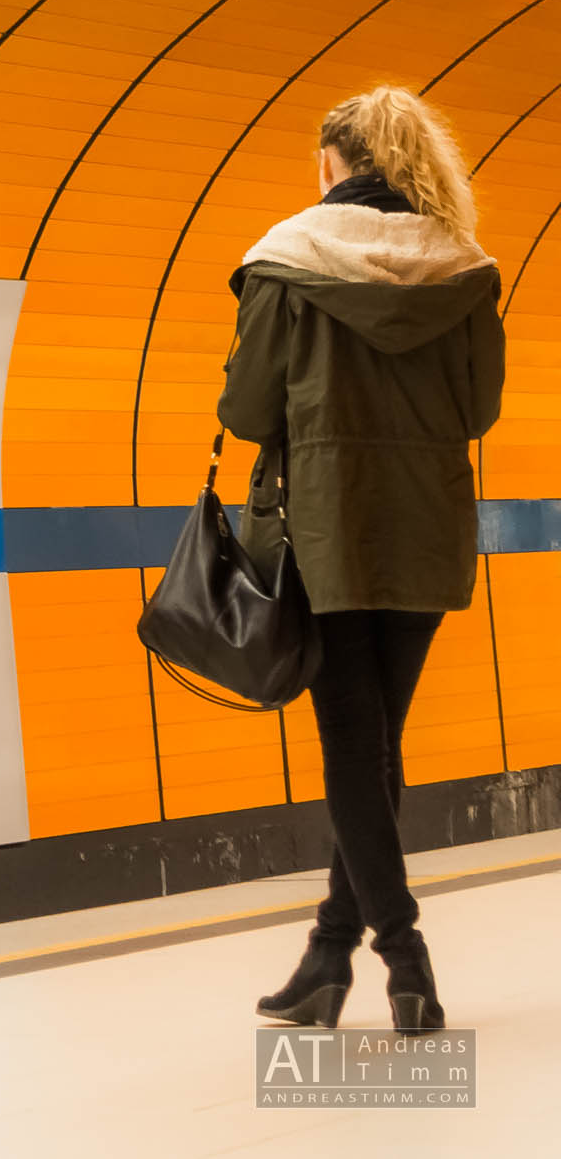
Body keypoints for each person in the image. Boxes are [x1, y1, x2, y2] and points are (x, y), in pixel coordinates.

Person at [217, 86, 505, 1036]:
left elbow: (248, 412)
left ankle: (404, 956)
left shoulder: (287, 259)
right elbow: (477, 411)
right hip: (423, 531)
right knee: (378, 747)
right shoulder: (462, 269)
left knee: (352, 743)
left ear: (332, 163)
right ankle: (326, 956)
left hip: (328, 535)